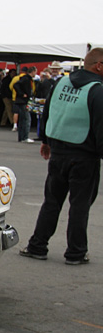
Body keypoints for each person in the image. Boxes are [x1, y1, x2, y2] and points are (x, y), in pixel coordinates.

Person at [20, 48, 103, 265]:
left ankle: (37, 245)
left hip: (58, 153)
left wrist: (46, 141)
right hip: (84, 156)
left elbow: (49, 111)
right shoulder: (97, 90)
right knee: (79, 205)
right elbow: (100, 127)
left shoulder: (61, 83)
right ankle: (75, 252)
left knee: (52, 202)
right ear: (99, 66)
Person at [11, 66, 36, 142]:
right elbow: (15, 85)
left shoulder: (26, 78)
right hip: (23, 101)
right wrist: (22, 94)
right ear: (32, 72)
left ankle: (21, 137)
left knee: (23, 119)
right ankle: (25, 137)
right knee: (26, 119)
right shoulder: (26, 79)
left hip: (22, 101)